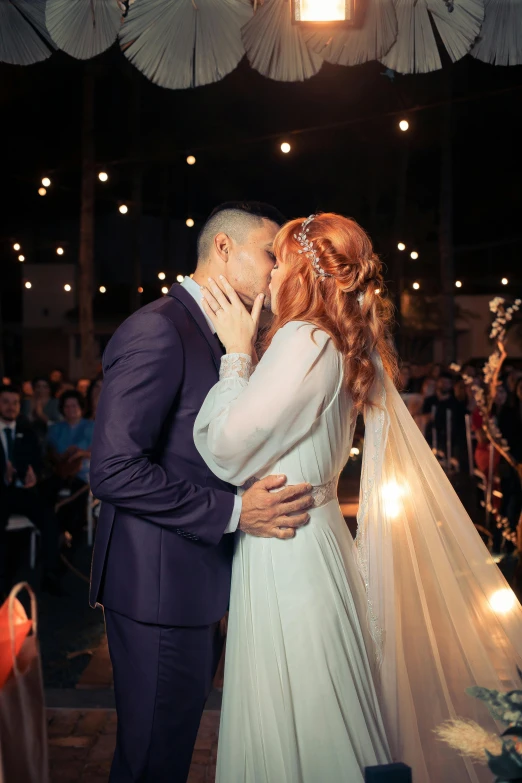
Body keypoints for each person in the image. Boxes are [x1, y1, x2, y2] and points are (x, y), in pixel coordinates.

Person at [194, 213, 522, 783]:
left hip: (288, 548)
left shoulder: (305, 339)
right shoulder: (337, 340)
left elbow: (227, 447)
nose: (269, 273)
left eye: (278, 259)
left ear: (299, 270)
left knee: (307, 710)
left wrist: (235, 355)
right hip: (306, 533)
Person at [89, 202, 314, 783]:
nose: (278, 270)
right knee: (152, 761)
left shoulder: (223, 330)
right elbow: (114, 469)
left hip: (192, 581)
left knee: (167, 751)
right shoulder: (159, 327)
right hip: (158, 589)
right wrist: (236, 511)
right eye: (270, 254)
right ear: (222, 249)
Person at [0, 384, 62, 596]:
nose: (11, 407)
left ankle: (50, 576)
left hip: (21, 491)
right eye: (6, 402)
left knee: (49, 517)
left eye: (15, 403)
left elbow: (37, 462)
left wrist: (33, 474)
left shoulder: (27, 431)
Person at [45, 390, 94, 542]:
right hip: (60, 472)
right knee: (46, 493)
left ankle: (72, 537)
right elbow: (50, 452)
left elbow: (103, 453)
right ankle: (56, 533)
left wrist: (82, 454)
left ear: (81, 407)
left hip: (83, 474)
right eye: (66, 406)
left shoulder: (93, 426)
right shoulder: (55, 429)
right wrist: (60, 456)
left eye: (74, 405)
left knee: (76, 498)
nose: (70, 409)